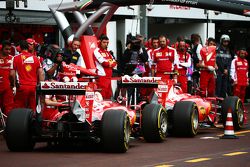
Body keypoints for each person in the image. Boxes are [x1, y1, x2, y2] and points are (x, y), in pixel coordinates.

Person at [9, 40, 44, 112]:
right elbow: (41, 73)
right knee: (33, 109)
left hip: (22, 87)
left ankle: (19, 123)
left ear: (20, 48)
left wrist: (13, 85)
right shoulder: (36, 58)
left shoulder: (15, 58)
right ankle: (32, 123)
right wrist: (40, 87)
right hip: (34, 87)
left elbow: (12, 74)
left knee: (19, 109)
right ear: (28, 47)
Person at [94, 35, 117, 99]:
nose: (106, 44)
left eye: (107, 43)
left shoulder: (107, 52)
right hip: (102, 76)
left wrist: (110, 64)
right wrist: (110, 63)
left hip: (109, 76)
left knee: (108, 95)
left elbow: (114, 62)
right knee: (102, 95)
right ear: (99, 42)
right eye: (104, 42)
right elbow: (104, 63)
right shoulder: (97, 51)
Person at [0, 40, 14, 115]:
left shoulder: (12, 58)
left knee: (8, 107)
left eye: (10, 49)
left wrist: (13, 85)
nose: (8, 51)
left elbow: (13, 74)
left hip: (7, 87)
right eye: (6, 49)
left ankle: (7, 124)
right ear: (1, 48)